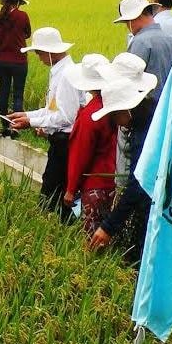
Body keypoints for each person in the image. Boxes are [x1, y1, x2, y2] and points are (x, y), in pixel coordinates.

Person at [87, 54, 158, 261]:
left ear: (126, 109)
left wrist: (108, 226)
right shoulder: (149, 111)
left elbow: (139, 182)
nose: (116, 123)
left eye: (114, 116)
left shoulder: (146, 132)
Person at [6, 27, 79, 219]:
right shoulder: (59, 71)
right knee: (51, 188)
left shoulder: (67, 75)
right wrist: (26, 115)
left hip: (66, 142)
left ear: (49, 51)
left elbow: (66, 117)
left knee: (53, 192)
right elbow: (51, 110)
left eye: (39, 52)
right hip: (58, 140)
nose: (38, 57)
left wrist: (30, 121)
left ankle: (56, 231)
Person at [62, 53, 116, 236]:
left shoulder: (90, 115)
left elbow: (80, 154)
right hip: (114, 182)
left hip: (94, 185)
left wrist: (70, 189)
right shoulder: (116, 106)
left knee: (91, 240)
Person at [114, 0, 172, 101]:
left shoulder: (140, 42)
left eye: (127, 22)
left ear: (135, 18)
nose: (128, 26)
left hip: (146, 108)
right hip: (170, 107)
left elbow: (129, 81)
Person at [0, 0, 32, 135]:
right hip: (19, 61)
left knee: (4, 92)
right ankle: (16, 126)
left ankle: (4, 124)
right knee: (18, 94)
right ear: (19, 2)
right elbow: (27, 33)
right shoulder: (22, 16)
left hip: (2, 61)